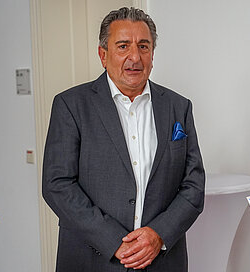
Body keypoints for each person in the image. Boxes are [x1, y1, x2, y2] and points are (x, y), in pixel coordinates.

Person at [42, 7, 205, 272]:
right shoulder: (71, 105)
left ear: (153, 54)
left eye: (143, 46)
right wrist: (113, 241)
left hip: (161, 260)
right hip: (92, 259)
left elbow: (194, 184)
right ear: (103, 55)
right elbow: (57, 185)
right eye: (123, 46)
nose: (135, 57)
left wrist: (158, 234)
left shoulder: (178, 107)